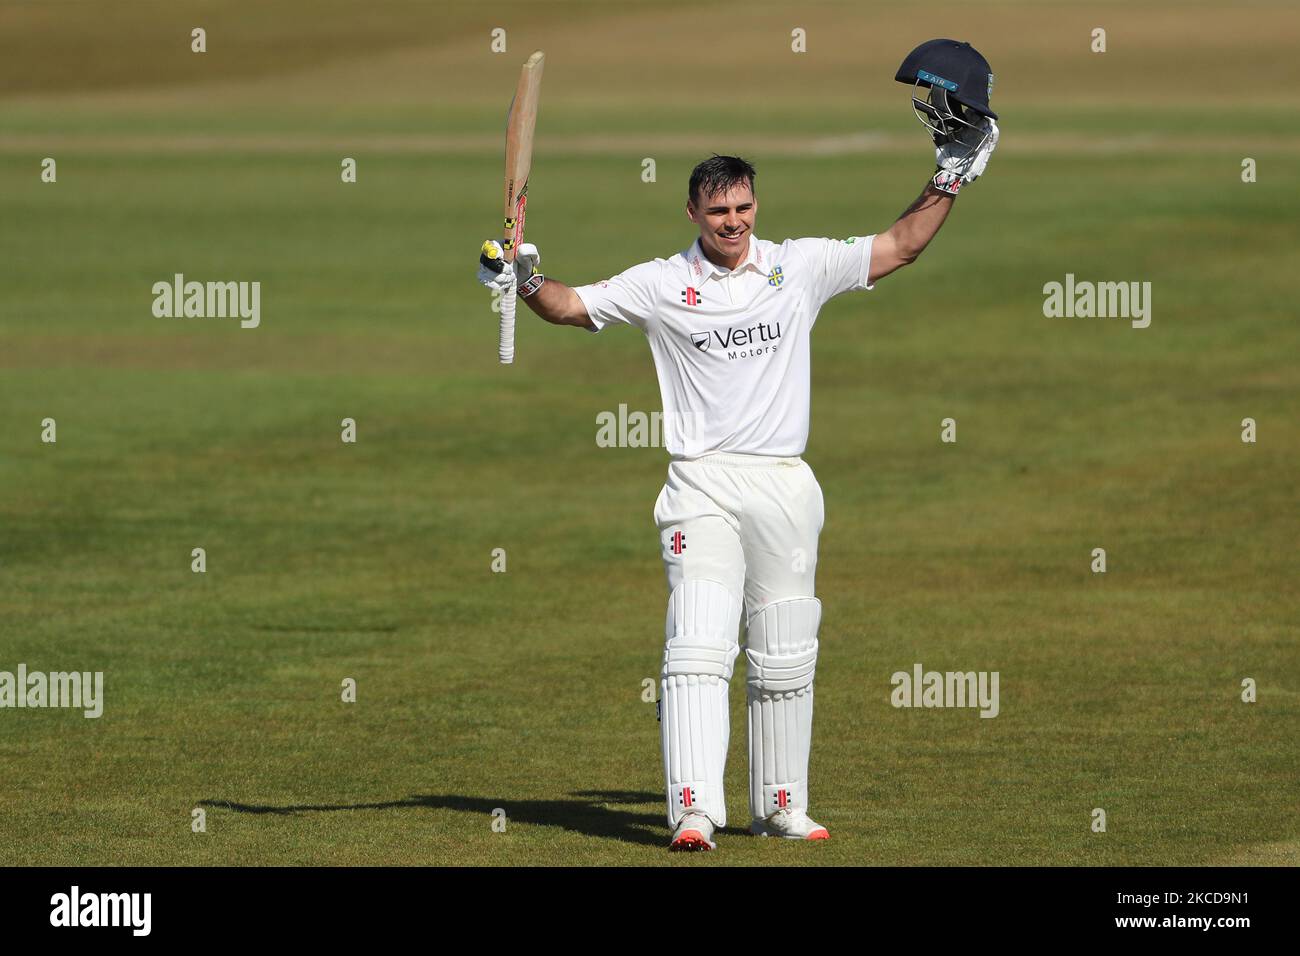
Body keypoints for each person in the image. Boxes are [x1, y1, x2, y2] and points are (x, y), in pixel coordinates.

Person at [477, 41, 999, 851]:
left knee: (786, 648)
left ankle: (781, 805)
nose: (734, 224)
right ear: (693, 214)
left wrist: (950, 176)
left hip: (786, 483)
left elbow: (900, 247)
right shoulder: (661, 283)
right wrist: (525, 277)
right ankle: (693, 810)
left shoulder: (799, 270)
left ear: (756, 205)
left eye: (744, 209)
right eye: (719, 213)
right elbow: (575, 307)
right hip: (702, 485)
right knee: (698, 642)